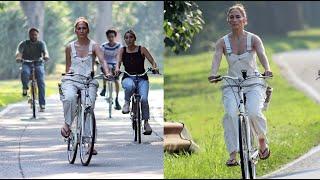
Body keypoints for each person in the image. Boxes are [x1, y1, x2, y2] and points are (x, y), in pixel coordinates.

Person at [208, 4, 273, 166]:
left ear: (245, 20)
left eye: (238, 16)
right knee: (230, 113)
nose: (235, 19)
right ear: (228, 21)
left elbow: (262, 54)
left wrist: (267, 69)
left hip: (253, 82)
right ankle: (233, 154)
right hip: (232, 83)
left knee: (253, 111)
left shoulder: (253, 39)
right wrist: (213, 73)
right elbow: (216, 58)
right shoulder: (222, 42)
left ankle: (261, 140)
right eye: (232, 17)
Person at [59, 17, 112, 155]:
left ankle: (89, 144)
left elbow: (103, 61)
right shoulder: (69, 47)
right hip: (71, 79)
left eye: (84, 28)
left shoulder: (94, 46)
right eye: (79, 28)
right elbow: (68, 66)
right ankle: (67, 124)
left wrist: (108, 73)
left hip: (88, 81)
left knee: (88, 107)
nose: (81, 30)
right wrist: (66, 76)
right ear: (75, 30)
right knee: (70, 97)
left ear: (88, 30)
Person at [115, 29, 159, 135]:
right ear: (124, 39)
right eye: (126, 37)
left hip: (142, 77)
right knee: (129, 86)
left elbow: (152, 61)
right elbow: (118, 62)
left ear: (135, 38)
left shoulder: (141, 49)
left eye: (131, 37)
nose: (128, 39)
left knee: (144, 99)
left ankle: (146, 123)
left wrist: (154, 68)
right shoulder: (122, 50)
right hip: (128, 77)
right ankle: (126, 103)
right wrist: (117, 69)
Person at [15, 27, 50, 112]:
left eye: (35, 34)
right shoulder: (24, 43)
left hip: (38, 63)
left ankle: (42, 104)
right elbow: (19, 53)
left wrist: (46, 56)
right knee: (24, 72)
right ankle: (25, 87)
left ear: (37, 35)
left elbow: (45, 51)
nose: (33, 36)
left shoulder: (41, 43)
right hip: (26, 63)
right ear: (29, 35)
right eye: (32, 34)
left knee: (41, 82)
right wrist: (18, 58)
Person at [99, 28, 122, 110]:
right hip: (106, 64)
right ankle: (104, 88)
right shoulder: (104, 46)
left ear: (115, 37)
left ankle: (116, 98)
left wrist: (117, 66)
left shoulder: (119, 46)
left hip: (115, 64)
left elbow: (119, 56)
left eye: (112, 36)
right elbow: (101, 56)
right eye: (109, 37)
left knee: (116, 80)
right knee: (106, 72)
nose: (111, 38)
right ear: (107, 37)